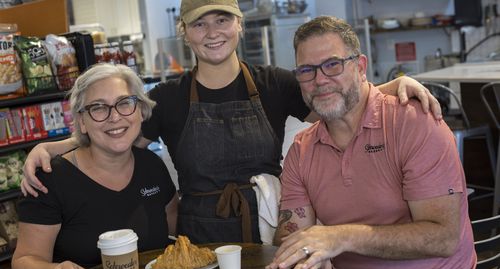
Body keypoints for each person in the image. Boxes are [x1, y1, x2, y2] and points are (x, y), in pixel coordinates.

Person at [20, 0, 441, 244]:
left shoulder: (273, 83)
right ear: (186, 32)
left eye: (222, 19)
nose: (212, 31)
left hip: (273, 227)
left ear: (239, 25)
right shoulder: (168, 97)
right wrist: (50, 149)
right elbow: (114, 135)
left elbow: (338, 101)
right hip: (198, 237)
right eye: (200, 23)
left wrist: (394, 84)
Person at [265, 16, 475, 269]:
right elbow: (289, 233)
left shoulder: (413, 122)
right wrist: (308, 245)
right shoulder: (302, 150)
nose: (320, 80)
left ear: (361, 66)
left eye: (333, 64)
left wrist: (339, 237)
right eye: (307, 70)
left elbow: (443, 238)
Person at [11, 64, 179, 269]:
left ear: (139, 110)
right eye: (98, 107)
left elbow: (176, 229)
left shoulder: (152, 166)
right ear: (82, 121)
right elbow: (24, 262)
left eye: (124, 103)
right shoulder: (49, 178)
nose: (115, 117)